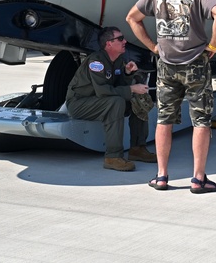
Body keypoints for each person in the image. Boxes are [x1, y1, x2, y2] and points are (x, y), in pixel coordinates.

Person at [127, 0, 216, 193]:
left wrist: (153, 47)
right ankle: (198, 178)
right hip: (195, 62)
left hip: (166, 65)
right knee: (201, 121)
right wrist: (213, 45)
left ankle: (161, 176)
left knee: (164, 119)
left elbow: (133, 17)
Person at [65, 26, 155, 171]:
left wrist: (126, 74)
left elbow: (118, 87)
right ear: (109, 43)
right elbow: (103, 91)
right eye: (120, 39)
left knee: (136, 99)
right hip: (80, 103)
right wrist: (131, 88)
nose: (124, 41)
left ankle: (138, 148)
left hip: (100, 101)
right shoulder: (96, 62)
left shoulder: (118, 60)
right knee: (116, 102)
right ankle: (113, 156)